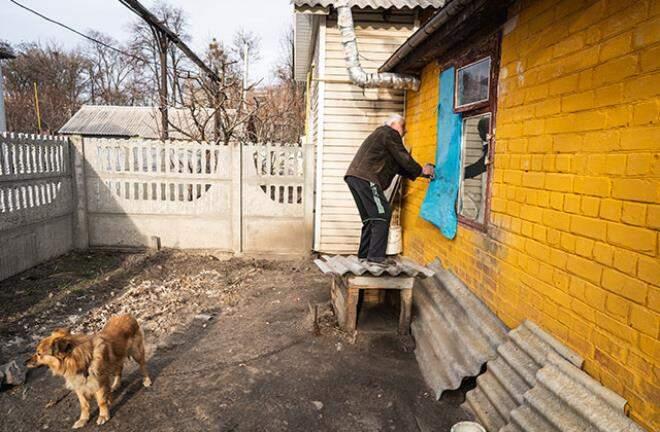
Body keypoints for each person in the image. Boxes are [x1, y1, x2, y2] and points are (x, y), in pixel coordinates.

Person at [344, 114, 435, 266]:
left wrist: (421, 173)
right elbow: (403, 157)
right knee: (383, 214)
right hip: (367, 177)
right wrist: (421, 169)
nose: (405, 131)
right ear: (394, 124)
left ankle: (364, 255)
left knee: (371, 219)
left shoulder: (381, 138)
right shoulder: (388, 133)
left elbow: (400, 166)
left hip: (355, 177)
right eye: (403, 126)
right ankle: (376, 258)